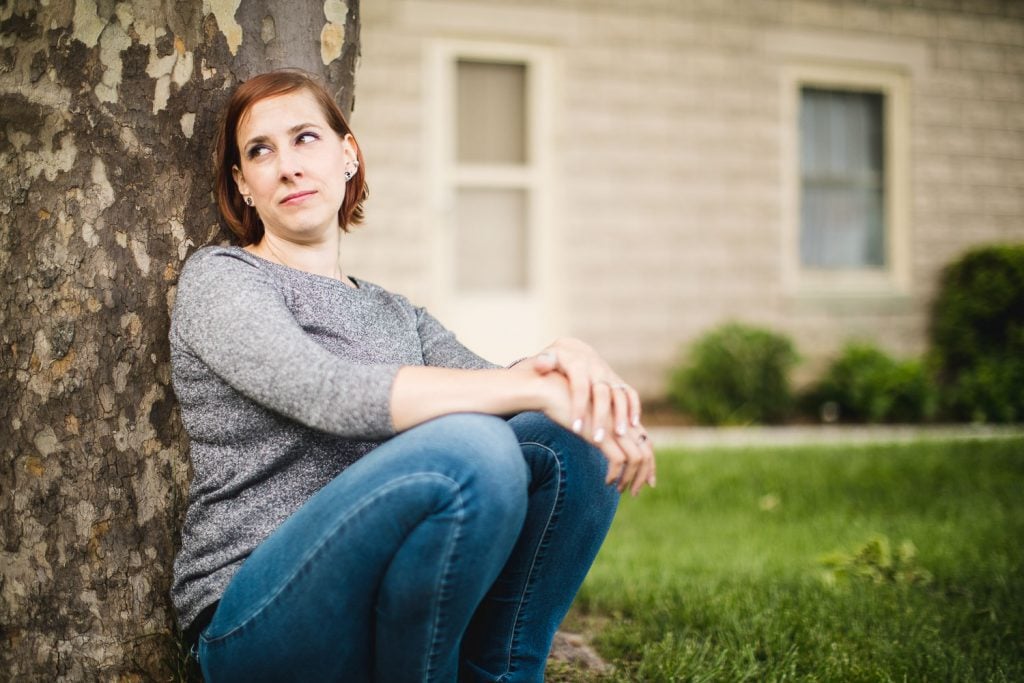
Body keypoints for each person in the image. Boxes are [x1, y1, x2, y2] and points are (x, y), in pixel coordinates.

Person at [169, 69, 655, 683]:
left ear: (348, 156)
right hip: (261, 615)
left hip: (386, 600)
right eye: (260, 151)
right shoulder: (222, 280)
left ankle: (502, 674)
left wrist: (569, 360)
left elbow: (502, 392)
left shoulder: (395, 313)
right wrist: (535, 384)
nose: (288, 165)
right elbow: (324, 390)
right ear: (244, 185)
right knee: (472, 448)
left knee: (569, 439)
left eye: (305, 138)